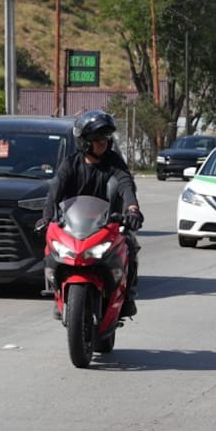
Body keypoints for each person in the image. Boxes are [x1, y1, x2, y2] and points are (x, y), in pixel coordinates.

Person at [38, 110, 144, 317]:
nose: (102, 143)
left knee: (130, 245)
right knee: (51, 250)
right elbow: (55, 190)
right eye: (97, 139)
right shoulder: (70, 164)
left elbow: (125, 185)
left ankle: (128, 295)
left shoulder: (114, 163)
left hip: (107, 224)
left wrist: (132, 209)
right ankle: (58, 292)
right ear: (84, 142)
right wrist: (47, 216)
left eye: (105, 138)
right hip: (72, 225)